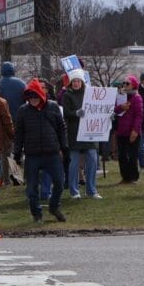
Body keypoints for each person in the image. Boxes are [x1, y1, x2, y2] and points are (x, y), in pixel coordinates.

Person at [13, 79, 69, 223]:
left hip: (52, 153)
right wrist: (17, 153)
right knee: (31, 188)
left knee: (59, 182)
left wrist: (65, 148)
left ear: (41, 95)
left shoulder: (53, 107)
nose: (32, 99)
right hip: (32, 154)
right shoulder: (23, 111)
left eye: (35, 96)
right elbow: (18, 133)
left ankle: (54, 207)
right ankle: (36, 213)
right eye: (29, 97)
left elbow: (61, 129)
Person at [61, 70, 101, 199]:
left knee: (93, 160)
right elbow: (66, 112)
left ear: (82, 82)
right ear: (71, 82)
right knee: (74, 163)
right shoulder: (67, 95)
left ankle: (91, 190)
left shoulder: (90, 94)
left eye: (78, 81)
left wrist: (106, 116)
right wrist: (76, 113)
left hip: (90, 133)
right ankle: (74, 191)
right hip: (75, 133)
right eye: (74, 81)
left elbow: (98, 108)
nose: (76, 83)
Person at [113, 75, 144, 184]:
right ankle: (125, 177)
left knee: (132, 156)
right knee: (122, 156)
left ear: (133, 85)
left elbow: (139, 115)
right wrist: (121, 107)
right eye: (124, 83)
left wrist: (135, 131)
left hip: (132, 131)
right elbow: (114, 110)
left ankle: (133, 177)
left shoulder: (137, 97)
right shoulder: (121, 96)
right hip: (122, 131)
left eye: (127, 83)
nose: (125, 85)